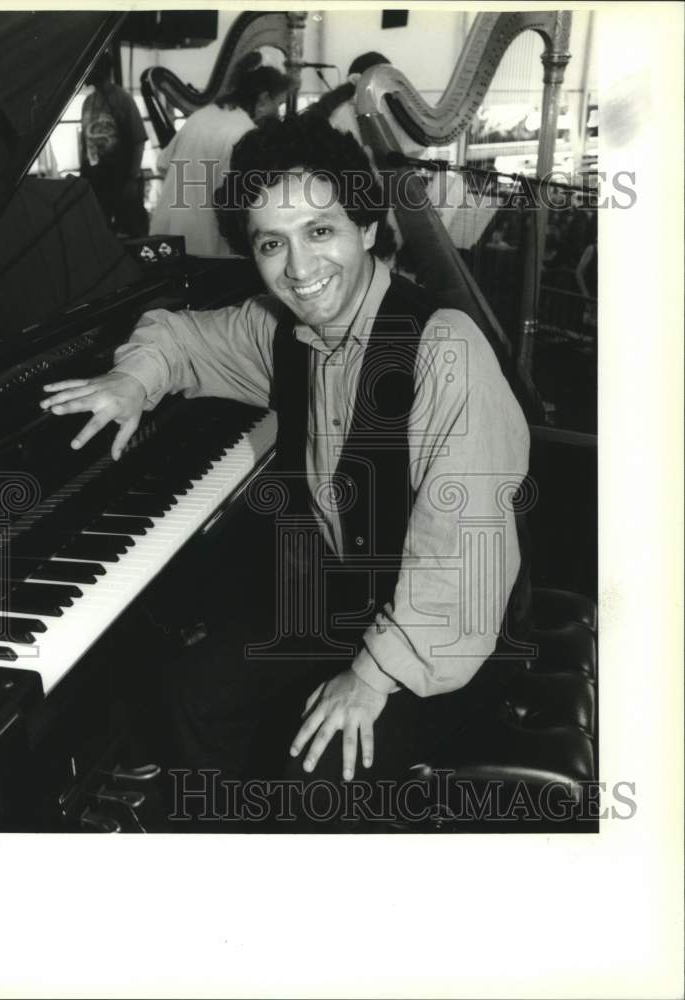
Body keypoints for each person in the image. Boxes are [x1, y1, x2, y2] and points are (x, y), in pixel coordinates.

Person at [41, 115, 530, 828]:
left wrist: (369, 677)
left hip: (448, 642)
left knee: (321, 772)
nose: (299, 269)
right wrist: (133, 384)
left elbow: (462, 561)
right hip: (345, 603)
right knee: (194, 689)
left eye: (320, 231)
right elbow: (178, 334)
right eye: (273, 243)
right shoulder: (287, 330)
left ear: (367, 228)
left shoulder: (443, 350)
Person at [148, 52, 290, 255]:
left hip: (166, 239)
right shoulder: (245, 133)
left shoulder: (201, 116)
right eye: (279, 104)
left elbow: (162, 163)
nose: (279, 112)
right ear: (263, 99)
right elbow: (241, 204)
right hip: (207, 250)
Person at [80, 51, 148, 237]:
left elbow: (138, 142)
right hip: (97, 181)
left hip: (120, 179)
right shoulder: (88, 102)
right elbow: (84, 144)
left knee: (131, 233)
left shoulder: (123, 99)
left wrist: (132, 180)